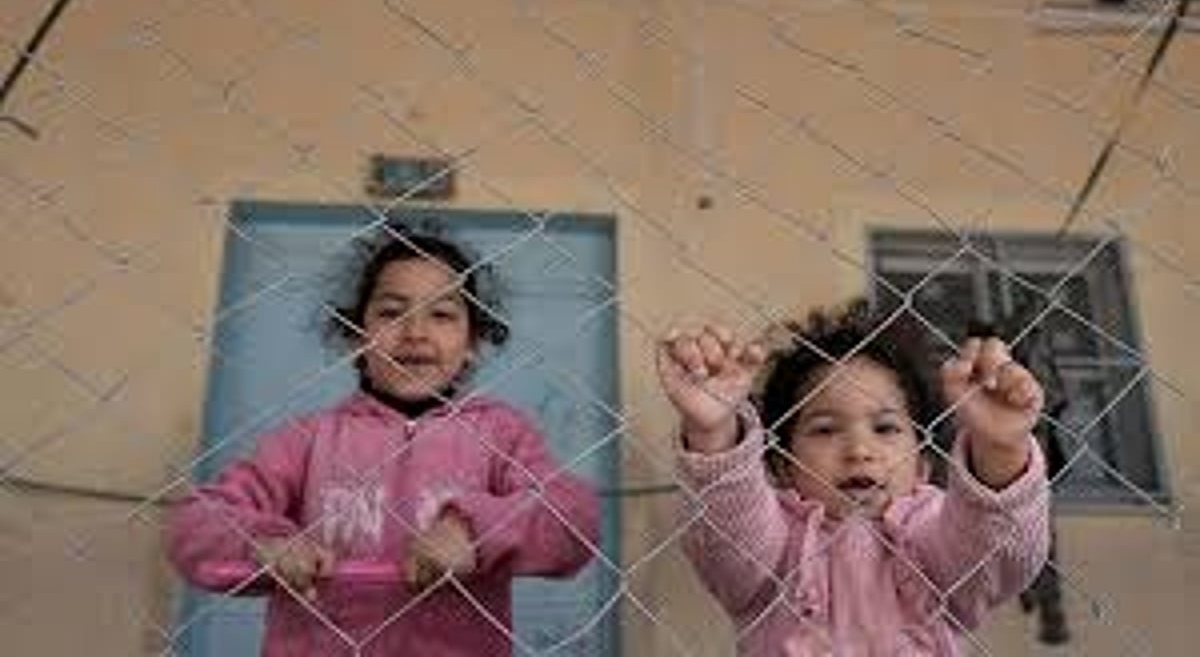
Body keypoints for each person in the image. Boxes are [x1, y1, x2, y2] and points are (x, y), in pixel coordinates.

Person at [168, 223, 600, 656]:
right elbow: (196, 523)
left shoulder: (500, 433)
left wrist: (473, 532)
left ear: (472, 343)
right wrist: (263, 543)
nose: (415, 331)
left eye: (442, 315)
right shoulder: (308, 439)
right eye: (392, 312)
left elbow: (574, 517)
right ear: (357, 336)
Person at [657, 300, 1050, 655]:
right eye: (826, 430)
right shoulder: (775, 539)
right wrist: (713, 432)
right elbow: (727, 536)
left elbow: (996, 556)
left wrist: (1000, 449)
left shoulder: (933, 530)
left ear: (922, 463)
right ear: (783, 464)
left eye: (886, 428)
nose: (859, 450)